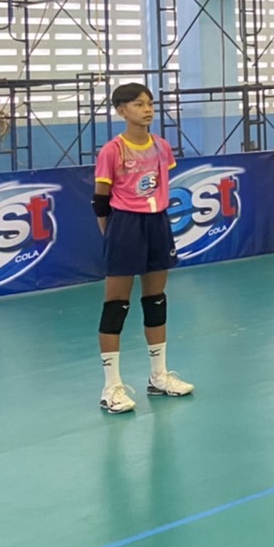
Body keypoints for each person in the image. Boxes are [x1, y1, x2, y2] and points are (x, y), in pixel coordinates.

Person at [94, 83, 193, 414]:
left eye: (150, 103)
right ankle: (111, 387)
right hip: (125, 224)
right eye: (138, 104)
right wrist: (112, 235)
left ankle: (158, 376)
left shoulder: (162, 147)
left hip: (157, 223)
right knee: (116, 304)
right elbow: (100, 201)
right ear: (122, 111)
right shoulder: (112, 151)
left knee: (155, 299)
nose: (147, 109)